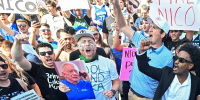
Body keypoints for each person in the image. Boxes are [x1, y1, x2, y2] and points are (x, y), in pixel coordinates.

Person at [112, 0, 173, 99]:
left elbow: (165, 82)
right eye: (151, 26)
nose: (150, 29)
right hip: (131, 94)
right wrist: (116, 5)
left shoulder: (168, 56)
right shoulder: (141, 39)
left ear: (162, 34)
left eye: (155, 28)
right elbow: (122, 26)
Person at [60, 29, 120, 100]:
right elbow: (69, 85)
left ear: (95, 46)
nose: (87, 44)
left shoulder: (108, 62)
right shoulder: (73, 66)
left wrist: (112, 91)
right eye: (83, 42)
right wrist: (63, 87)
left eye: (90, 41)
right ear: (78, 47)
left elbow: (116, 82)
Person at [11, 35, 68, 100]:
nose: (47, 55)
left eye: (49, 52)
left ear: (53, 54)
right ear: (39, 56)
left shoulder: (64, 67)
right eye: (43, 54)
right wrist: (17, 42)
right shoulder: (36, 68)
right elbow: (18, 58)